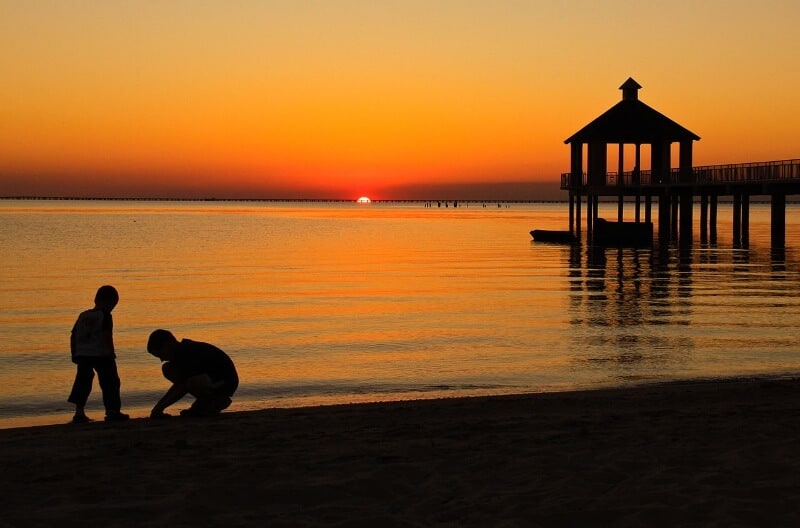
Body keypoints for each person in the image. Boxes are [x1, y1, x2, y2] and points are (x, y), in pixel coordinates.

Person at [68, 285, 130, 423]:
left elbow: (73, 334)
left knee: (82, 382)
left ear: (95, 299)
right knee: (111, 382)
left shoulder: (83, 315)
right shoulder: (105, 315)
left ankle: (79, 412)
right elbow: (107, 334)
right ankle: (112, 411)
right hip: (102, 354)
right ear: (112, 303)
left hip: (83, 354)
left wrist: (74, 352)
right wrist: (111, 352)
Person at [146, 329, 239, 418]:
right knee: (168, 368)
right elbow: (180, 384)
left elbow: (181, 386)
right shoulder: (182, 351)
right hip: (212, 380)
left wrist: (159, 408)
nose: (162, 359)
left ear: (168, 345)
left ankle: (216, 401)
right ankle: (204, 403)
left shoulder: (186, 353)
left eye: (160, 354)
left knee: (192, 382)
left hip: (224, 383)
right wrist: (159, 408)